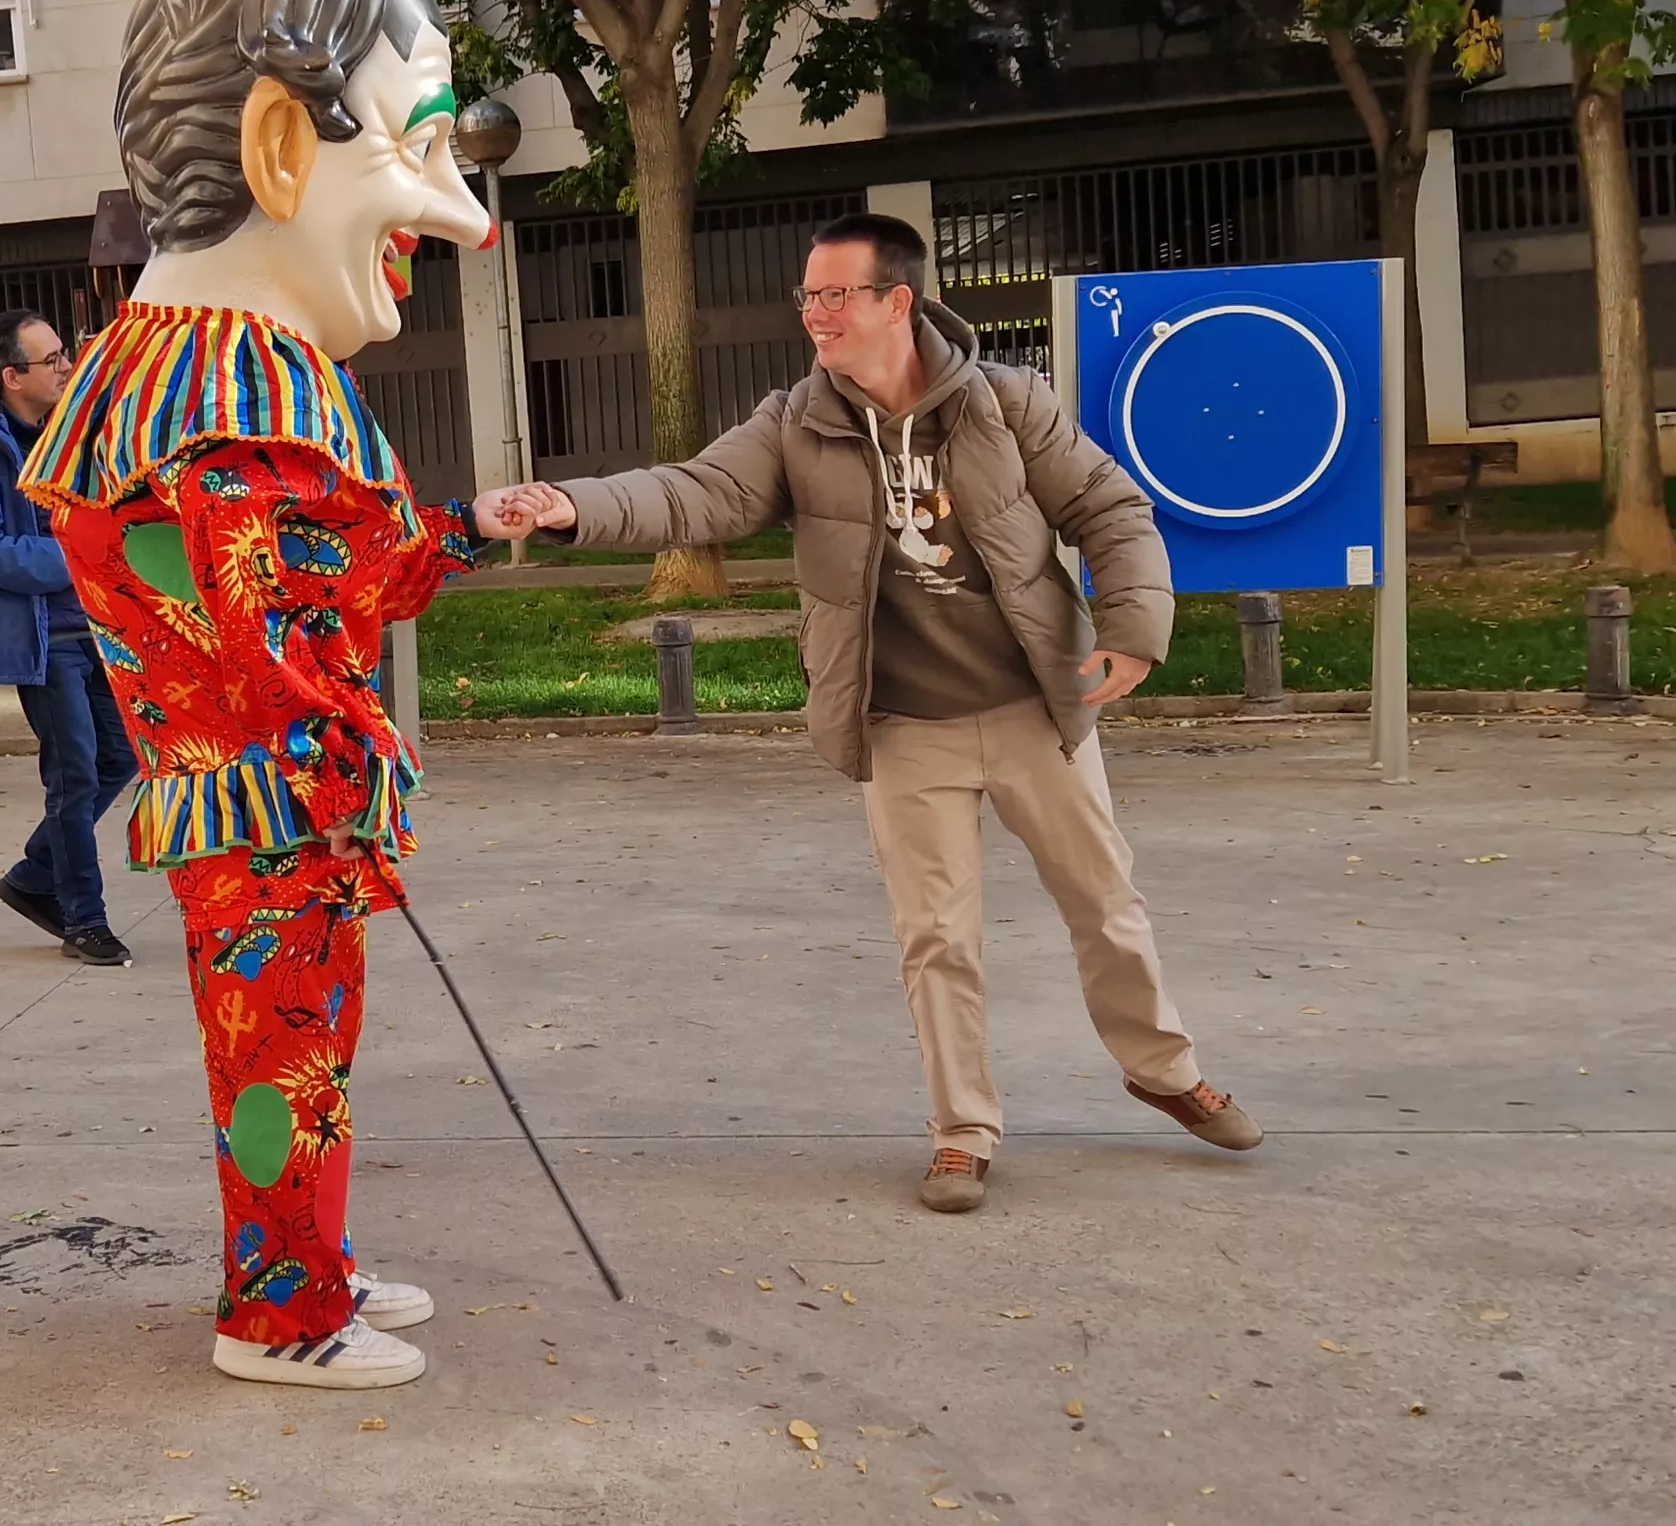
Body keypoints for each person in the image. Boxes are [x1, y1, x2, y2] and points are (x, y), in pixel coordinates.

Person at [19, 0, 516, 1391]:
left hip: (256, 797)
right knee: (285, 1049)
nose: (462, 219)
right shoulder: (233, 398)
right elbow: (283, 633)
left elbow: (322, 584)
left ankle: (314, 1267)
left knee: (298, 1057)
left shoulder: (183, 375)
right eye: (429, 150)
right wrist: (348, 770)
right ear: (280, 142)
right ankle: (280, 1312)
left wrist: (452, 530)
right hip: (269, 808)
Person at [477, 211, 1261, 1216]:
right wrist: (568, 505)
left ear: (898, 301)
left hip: (1037, 706)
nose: (815, 315)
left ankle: (1163, 1070)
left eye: (834, 294)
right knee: (936, 937)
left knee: (1104, 905)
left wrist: (1134, 629)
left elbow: (1111, 511)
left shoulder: (1008, 405)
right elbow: (698, 492)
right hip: (903, 725)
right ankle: (961, 1133)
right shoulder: (793, 422)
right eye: (806, 297)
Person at [0, 309, 137, 967]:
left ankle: (33, 876)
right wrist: (80, 556)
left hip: (92, 627)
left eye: (65, 355)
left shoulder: (61, 433)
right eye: (52, 361)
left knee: (121, 755)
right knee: (74, 774)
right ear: (10, 374)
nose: (66, 368)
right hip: (42, 636)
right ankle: (84, 919)